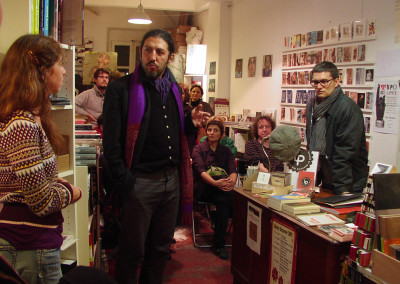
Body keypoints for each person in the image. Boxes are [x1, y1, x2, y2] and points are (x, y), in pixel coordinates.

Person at [102, 29, 210, 284]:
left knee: (160, 249)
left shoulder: (173, 89)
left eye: (159, 52)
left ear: (169, 57)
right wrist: (125, 181)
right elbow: (111, 144)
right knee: (131, 252)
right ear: (141, 52)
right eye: (147, 50)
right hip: (139, 182)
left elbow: (173, 130)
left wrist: (190, 121)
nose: (152, 56)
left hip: (170, 181)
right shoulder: (121, 89)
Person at [0, 34, 82, 284]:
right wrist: (73, 191)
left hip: (31, 242)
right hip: (28, 245)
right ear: (43, 71)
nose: (65, 71)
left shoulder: (27, 118)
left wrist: (53, 185)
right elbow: (42, 202)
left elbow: (40, 183)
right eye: (60, 63)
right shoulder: (21, 125)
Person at [306, 61, 368, 195]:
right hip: (324, 179)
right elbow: (311, 143)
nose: (319, 86)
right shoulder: (312, 106)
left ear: (336, 81)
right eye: (315, 82)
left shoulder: (348, 108)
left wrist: (343, 190)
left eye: (324, 81)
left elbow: (346, 152)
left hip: (347, 183)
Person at [192, 119, 237, 259]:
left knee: (227, 200)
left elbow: (232, 170)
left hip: (222, 189)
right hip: (205, 187)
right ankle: (219, 243)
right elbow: (200, 171)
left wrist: (232, 181)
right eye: (209, 130)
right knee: (226, 200)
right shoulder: (198, 149)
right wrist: (216, 183)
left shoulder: (226, 151)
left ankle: (219, 238)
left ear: (222, 134)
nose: (212, 133)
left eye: (215, 130)